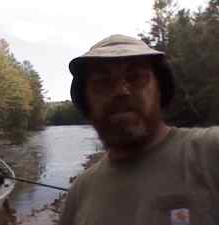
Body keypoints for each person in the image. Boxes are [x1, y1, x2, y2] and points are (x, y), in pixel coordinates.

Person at [59, 34, 219, 225]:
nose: (120, 91)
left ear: (159, 90)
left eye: (135, 77)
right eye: (103, 82)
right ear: (87, 102)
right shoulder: (80, 192)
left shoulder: (210, 151)